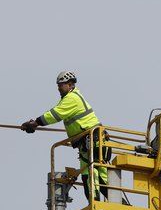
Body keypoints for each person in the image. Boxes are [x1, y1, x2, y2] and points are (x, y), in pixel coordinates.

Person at [21, 71, 109, 201]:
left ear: (70, 84)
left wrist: (35, 123)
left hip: (93, 141)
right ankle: (115, 207)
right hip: (89, 144)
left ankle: (98, 208)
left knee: (95, 178)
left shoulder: (72, 98)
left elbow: (55, 114)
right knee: (95, 179)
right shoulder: (70, 98)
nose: (58, 88)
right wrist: (36, 124)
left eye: (60, 85)